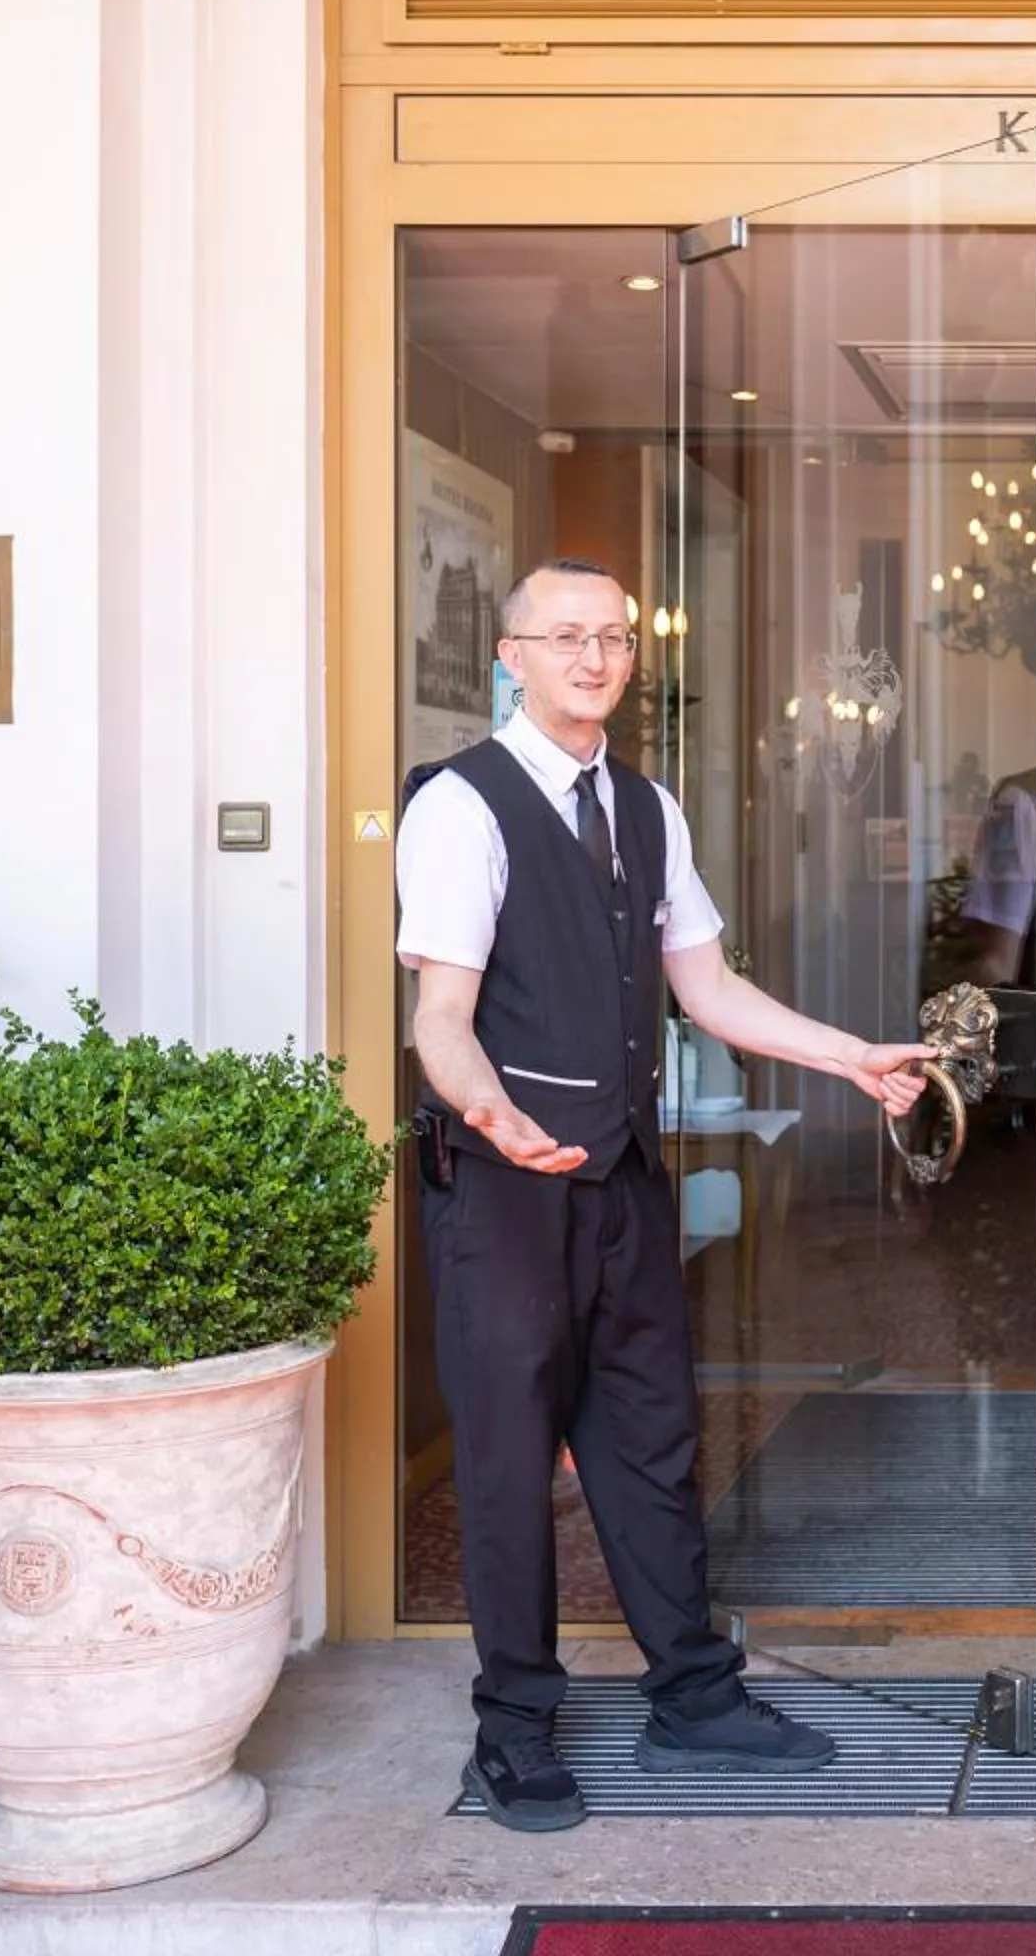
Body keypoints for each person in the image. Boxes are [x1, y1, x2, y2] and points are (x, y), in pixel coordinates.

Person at [396, 556, 934, 1833]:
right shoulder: (460, 806)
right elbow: (441, 1016)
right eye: (566, 636)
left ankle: (692, 1694)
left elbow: (711, 988)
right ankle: (512, 1731)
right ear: (512, 658)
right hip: (505, 1190)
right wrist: (491, 1115)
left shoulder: (645, 806)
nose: (595, 658)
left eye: (615, 638)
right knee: (509, 1458)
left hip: (623, 1180)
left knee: (650, 1439)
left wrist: (849, 1057)